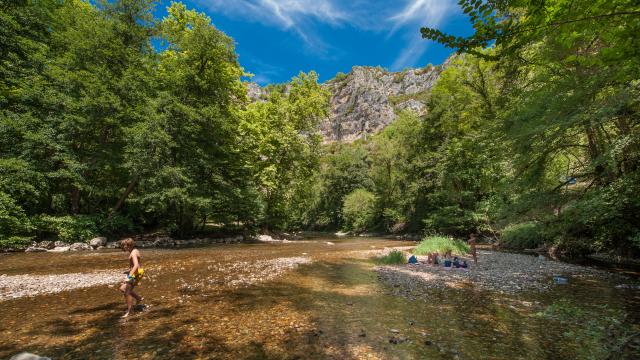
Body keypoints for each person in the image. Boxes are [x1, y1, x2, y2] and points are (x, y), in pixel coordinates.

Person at [119, 238, 144, 318]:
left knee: (127, 292)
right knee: (122, 288)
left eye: (123, 245)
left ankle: (130, 311)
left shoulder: (133, 253)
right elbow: (135, 265)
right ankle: (138, 298)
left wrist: (129, 276)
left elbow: (136, 265)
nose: (122, 247)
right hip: (136, 272)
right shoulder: (135, 250)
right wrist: (128, 272)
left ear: (128, 245)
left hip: (136, 273)